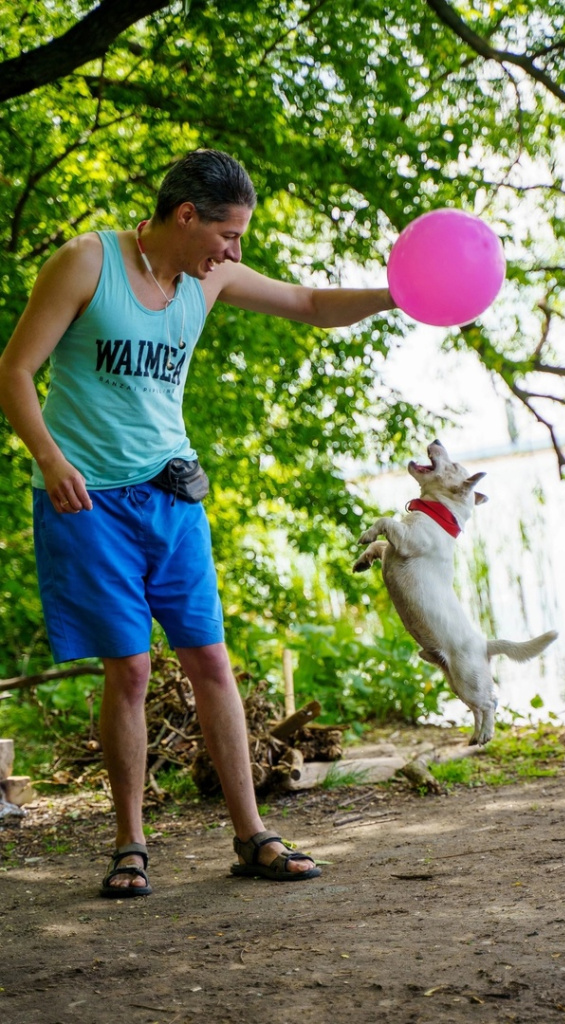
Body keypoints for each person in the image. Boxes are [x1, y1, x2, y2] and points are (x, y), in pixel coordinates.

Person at [0, 149, 394, 896]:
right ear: (187, 216)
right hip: (88, 501)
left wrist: (397, 293)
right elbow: (14, 370)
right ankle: (129, 844)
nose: (233, 252)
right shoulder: (89, 262)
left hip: (174, 497)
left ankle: (251, 837)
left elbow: (310, 304)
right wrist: (50, 460)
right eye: (228, 235)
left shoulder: (206, 279)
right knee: (132, 670)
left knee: (210, 663)